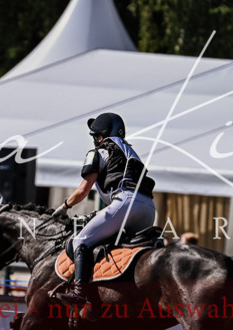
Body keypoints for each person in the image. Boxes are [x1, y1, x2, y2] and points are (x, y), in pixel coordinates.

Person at [52, 112, 156, 308]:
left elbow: (83, 190)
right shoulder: (132, 154)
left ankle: (79, 294)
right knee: (123, 248)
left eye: (95, 136)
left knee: (80, 241)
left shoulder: (98, 152)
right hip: (148, 208)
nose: (95, 140)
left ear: (101, 136)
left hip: (125, 202)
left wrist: (65, 206)